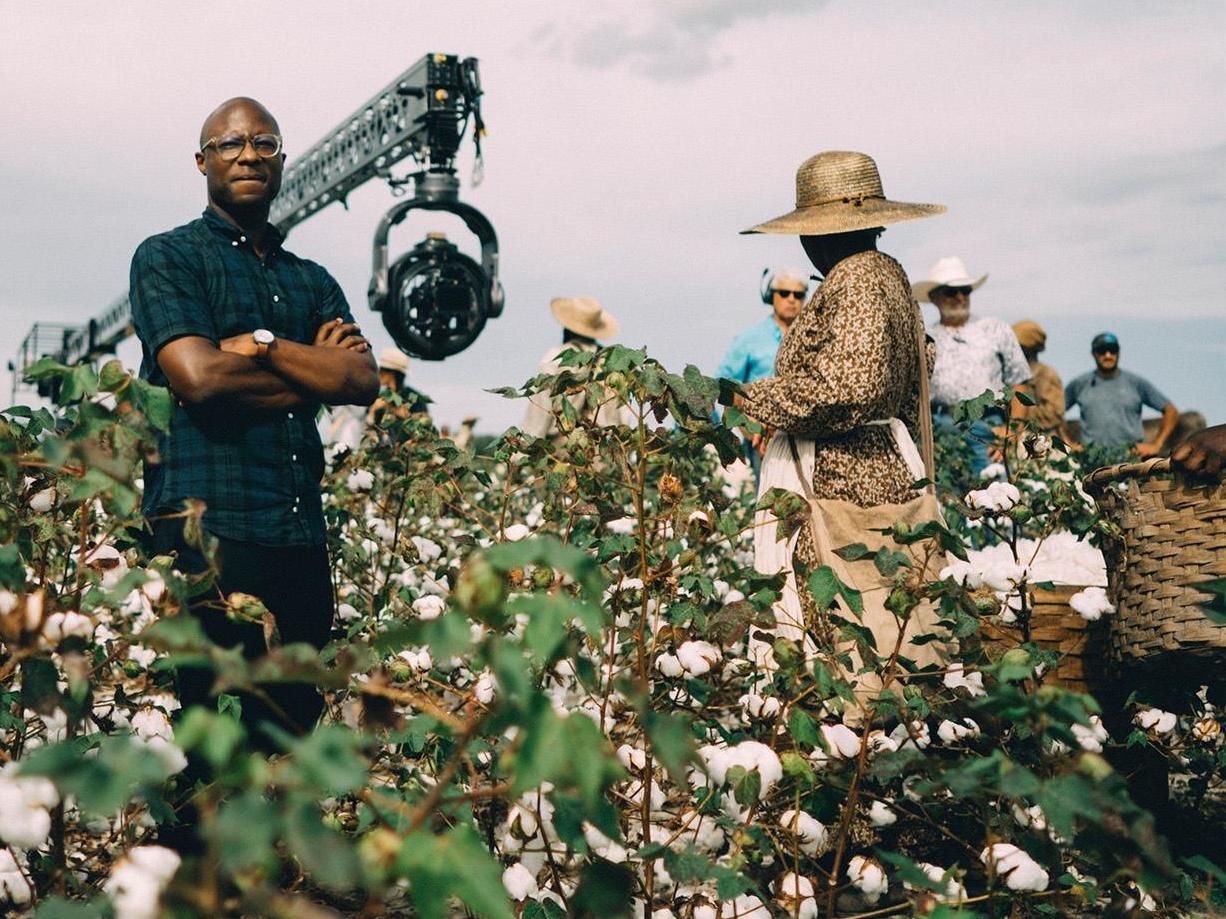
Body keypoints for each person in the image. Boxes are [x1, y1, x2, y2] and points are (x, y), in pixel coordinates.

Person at [129, 97, 378, 753]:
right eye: (229, 144)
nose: (247, 154)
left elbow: (359, 380)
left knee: (291, 734)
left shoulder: (312, 280)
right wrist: (308, 372)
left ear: (282, 161)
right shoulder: (167, 258)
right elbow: (199, 379)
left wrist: (261, 346)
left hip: (297, 540)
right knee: (204, 740)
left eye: (263, 143)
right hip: (206, 537)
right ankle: (194, 858)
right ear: (202, 161)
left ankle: (276, 859)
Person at [737, 149, 951, 719]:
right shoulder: (888, 277)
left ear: (818, 234)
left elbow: (846, 390)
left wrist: (746, 397)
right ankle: (885, 733)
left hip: (841, 466)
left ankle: (846, 745)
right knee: (890, 598)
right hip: (881, 456)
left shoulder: (854, 280)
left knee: (846, 608)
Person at [914, 256, 1031, 476]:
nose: (960, 297)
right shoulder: (924, 339)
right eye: (951, 292)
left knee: (994, 501)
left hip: (988, 429)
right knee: (945, 504)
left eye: (965, 290)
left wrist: (1012, 431)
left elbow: (1020, 382)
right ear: (934, 297)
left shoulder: (996, 329)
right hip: (940, 432)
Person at [715, 268, 809, 477]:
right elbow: (723, 386)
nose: (791, 299)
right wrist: (746, 425)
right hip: (763, 439)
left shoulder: (813, 338)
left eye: (798, 295)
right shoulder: (749, 339)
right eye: (784, 293)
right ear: (771, 296)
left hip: (805, 434)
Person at [520, 297, 622, 438]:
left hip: (563, 448)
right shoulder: (612, 362)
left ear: (567, 328)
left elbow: (537, 416)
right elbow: (621, 417)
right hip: (604, 449)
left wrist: (523, 453)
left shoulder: (557, 358)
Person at [1065, 332, 1178, 457]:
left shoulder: (1136, 383)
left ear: (1119, 353)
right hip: (1090, 461)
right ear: (1093, 354)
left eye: (1112, 350)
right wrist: (1066, 443)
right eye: (1102, 351)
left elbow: (1170, 411)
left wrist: (1157, 445)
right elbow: (1052, 414)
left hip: (1131, 462)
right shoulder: (1079, 384)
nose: (1107, 355)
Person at [1012, 319, 1069, 438]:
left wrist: (1018, 413)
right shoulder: (1012, 374)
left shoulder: (1046, 374)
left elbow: (1053, 415)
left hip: (1040, 440)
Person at [368, 346, 430, 427]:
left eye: (382, 370)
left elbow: (425, 423)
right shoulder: (379, 397)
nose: (379, 373)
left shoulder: (414, 398)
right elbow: (370, 427)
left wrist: (395, 411)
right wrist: (373, 410)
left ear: (392, 373)